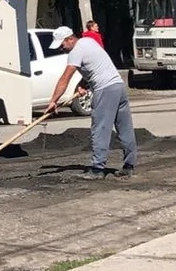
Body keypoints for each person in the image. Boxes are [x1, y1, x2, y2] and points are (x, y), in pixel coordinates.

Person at [45, 25, 137, 180]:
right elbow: (97, 66)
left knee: (100, 129)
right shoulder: (89, 42)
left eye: (62, 45)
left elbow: (64, 79)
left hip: (105, 90)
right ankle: (129, 166)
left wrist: (53, 101)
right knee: (125, 128)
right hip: (118, 87)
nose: (62, 49)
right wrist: (85, 85)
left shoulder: (75, 52)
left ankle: (97, 169)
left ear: (70, 39)